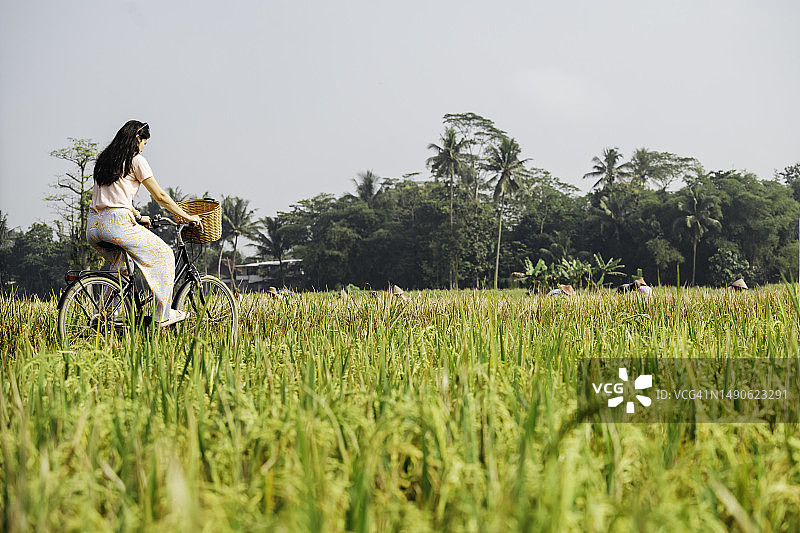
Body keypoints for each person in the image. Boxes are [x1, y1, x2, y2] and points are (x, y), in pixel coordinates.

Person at [87, 120, 202, 327]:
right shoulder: (136, 161)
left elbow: (113, 198)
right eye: (144, 143)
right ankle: (163, 315)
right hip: (117, 225)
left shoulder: (104, 161)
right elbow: (160, 196)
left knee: (121, 267)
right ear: (137, 139)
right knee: (165, 254)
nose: (143, 147)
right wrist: (186, 216)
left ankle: (104, 315)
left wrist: (138, 216)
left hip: (95, 227)